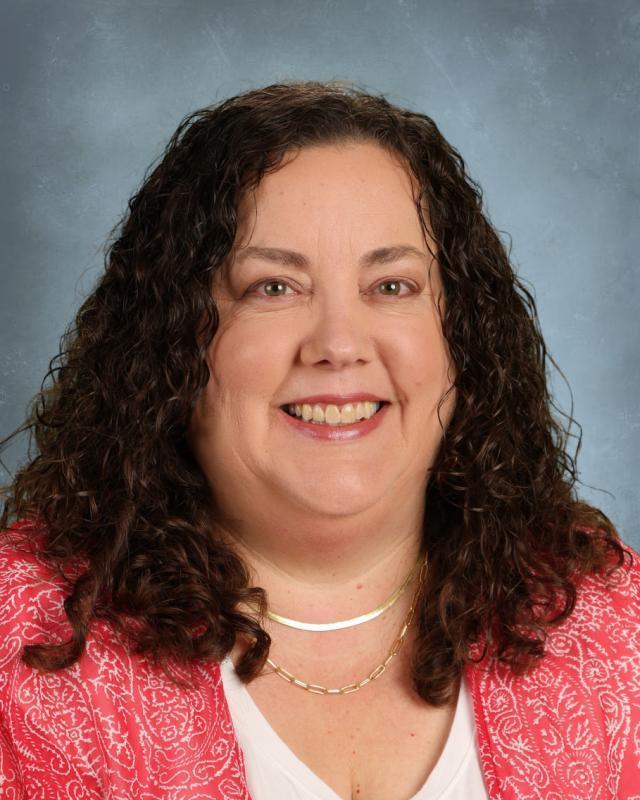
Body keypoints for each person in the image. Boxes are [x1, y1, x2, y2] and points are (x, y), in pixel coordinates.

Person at [0, 79, 638, 800]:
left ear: (463, 338)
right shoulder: (16, 649)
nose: (338, 345)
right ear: (170, 345)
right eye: (274, 287)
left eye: (391, 286)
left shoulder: (617, 633)